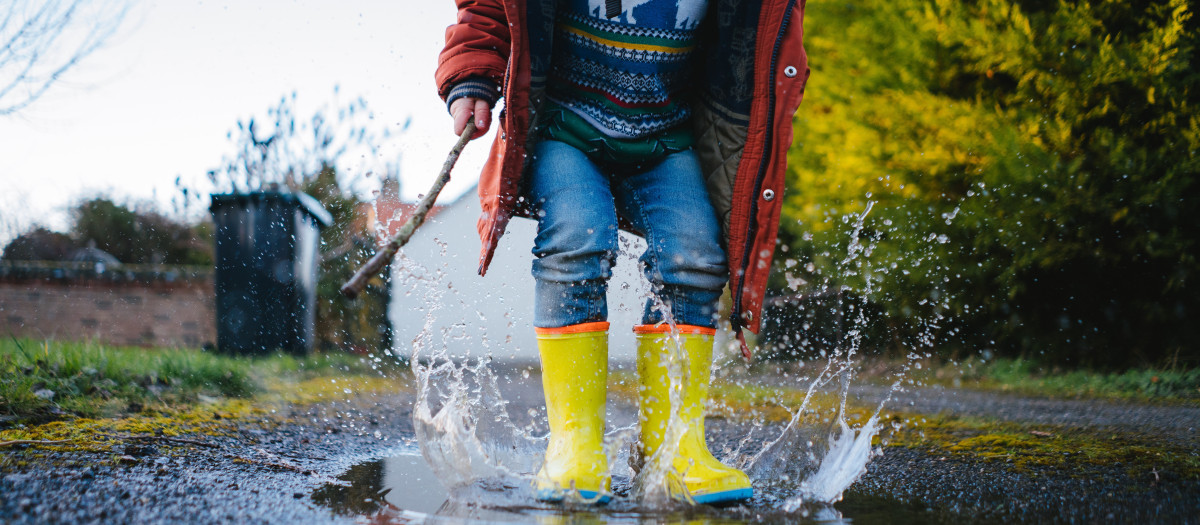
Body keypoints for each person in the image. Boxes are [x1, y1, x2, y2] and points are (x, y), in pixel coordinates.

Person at [436, 0, 809, 505]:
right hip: (567, 126)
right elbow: (488, 9)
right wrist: (473, 77)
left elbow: (767, 34)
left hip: (666, 134)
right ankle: (574, 445)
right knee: (577, 237)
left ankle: (674, 450)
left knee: (696, 257)